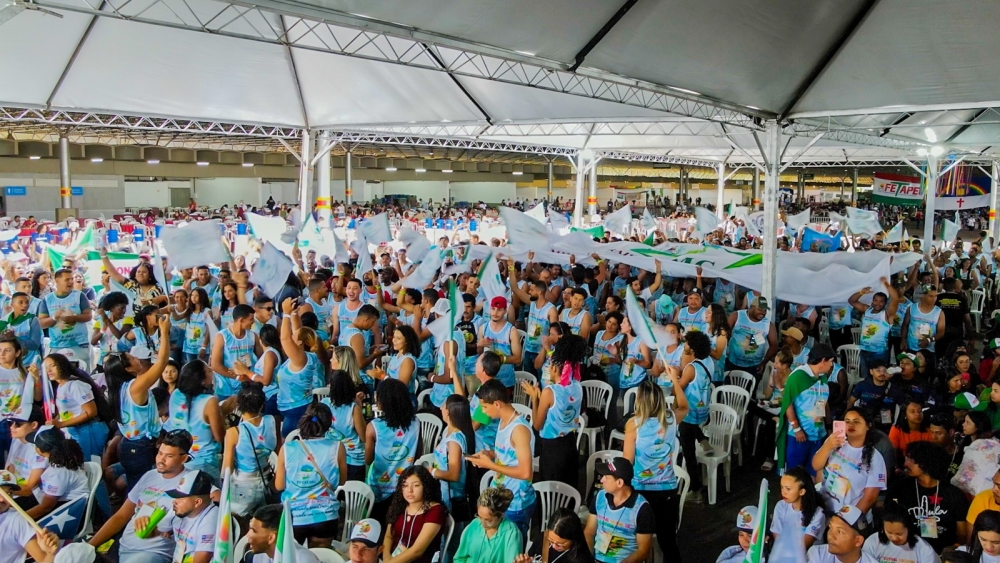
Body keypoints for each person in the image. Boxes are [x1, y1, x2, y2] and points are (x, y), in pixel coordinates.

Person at [88, 430, 195, 563]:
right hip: (123, 546)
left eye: (169, 456)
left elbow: (215, 501)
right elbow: (121, 516)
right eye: (160, 453)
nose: (161, 459)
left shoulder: (192, 481)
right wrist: (89, 546)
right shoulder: (149, 475)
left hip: (152, 553)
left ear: (183, 458)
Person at [103, 315, 171, 490]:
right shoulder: (135, 386)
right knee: (141, 491)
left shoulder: (118, 387)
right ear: (127, 369)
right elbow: (162, 362)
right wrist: (164, 332)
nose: (137, 359)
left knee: (135, 488)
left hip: (129, 444)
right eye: (132, 358)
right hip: (140, 447)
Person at [623, 374, 687, 561]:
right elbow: (684, 406)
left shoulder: (633, 425)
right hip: (666, 489)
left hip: (640, 490)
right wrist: (675, 380)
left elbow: (627, 462)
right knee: (668, 542)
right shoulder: (671, 419)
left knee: (637, 541)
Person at [468, 379, 537, 543]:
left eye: (485, 407)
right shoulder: (503, 421)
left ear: (497, 404)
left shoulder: (519, 430)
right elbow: (508, 456)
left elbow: (526, 472)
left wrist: (489, 465)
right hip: (501, 497)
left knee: (512, 549)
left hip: (516, 502)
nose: (483, 412)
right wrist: (489, 454)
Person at [275, 402, 345, 547]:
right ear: (329, 423)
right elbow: (342, 481)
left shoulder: (287, 448)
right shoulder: (337, 447)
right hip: (326, 516)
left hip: (294, 518)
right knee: (321, 558)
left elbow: (279, 485)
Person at [524, 333, 584, 487]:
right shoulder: (577, 385)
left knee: (551, 492)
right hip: (570, 445)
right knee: (568, 491)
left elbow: (537, 425)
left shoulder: (549, 391)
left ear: (555, 368)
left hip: (552, 450)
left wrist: (534, 398)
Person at [887, 440, 969, 552]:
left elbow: (962, 534)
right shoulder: (899, 488)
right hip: (907, 551)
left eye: (911, 460)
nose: (906, 464)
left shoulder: (953, 494)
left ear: (926, 462)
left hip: (942, 552)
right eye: (906, 458)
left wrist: (953, 548)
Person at [813, 407, 888, 526]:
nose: (851, 425)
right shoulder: (835, 442)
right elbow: (816, 466)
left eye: (856, 421)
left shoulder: (875, 458)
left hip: (847, 520)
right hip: (822, 511)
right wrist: (827, 446)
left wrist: (845, 522)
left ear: (868, 425)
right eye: (847, 421)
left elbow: (870, 498)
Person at [777, 344, 836, 475]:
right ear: (822, 360)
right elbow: (788, 404)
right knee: (795, 474)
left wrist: (828, 426)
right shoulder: (797, 376)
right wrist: (797, 429)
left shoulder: (823, 378)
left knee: (814, 473)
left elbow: (824, 403)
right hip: (799, 437)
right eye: (831, 361)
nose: (832, 365)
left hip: (818, 434)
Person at [366, 378, 419, 522]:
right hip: (406, 487)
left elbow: (368, 459)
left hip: (379, 488)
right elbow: (419, 453)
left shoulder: (373, 427)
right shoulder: (416, 423)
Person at [222, 382, 276, 523]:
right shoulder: (271, 421)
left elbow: (228, 468)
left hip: (244, 485)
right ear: (262, 404)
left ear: (238, 405)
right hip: (268, 480)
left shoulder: (234, 432)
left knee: (234, 522)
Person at [584, 456, 654, 563]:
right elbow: (589, 531)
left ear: (619, 483)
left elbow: (643, 551)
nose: (602, 479)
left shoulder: (642, 509)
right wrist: (588, 558)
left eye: (606, 477)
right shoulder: (600, 497)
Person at [163, 360, 224, 481]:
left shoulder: (176, 394)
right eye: (208, 371)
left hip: (180, 458)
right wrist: (222, 414)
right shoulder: (210, 401)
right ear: (201, 380)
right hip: (204, 462)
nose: (212, 372)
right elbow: (219, 436)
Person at [45, 353, 111, 461]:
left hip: (89, 430)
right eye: (46, 367)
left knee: (89, 465)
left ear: (62, 365)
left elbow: (91, 412)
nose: (49, 370)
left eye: (52, 366)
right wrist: (55, 421)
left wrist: (61, 424)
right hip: (76, 430)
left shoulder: (76, 385)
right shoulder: (61, 386)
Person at [273, 298, 325, 437]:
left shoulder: (301, 359)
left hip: (296, 411)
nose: (291, 335)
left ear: (300, 342)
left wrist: (286, 315)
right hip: (297, 407)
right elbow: (298, 330)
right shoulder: (306, 355)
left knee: (290, 445)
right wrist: (294, 314)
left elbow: (285, 339)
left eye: (294, 336)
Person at [675, 330, 713, 504]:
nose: (685, 345)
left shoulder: (691, 368)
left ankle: (695, 489)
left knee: (688, 453)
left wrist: (674, 378)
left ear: (693, 347)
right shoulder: (708, 363)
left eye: (687, 343)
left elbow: (680, 388)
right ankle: (703, 439)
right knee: (692, 431)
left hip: (689, 413)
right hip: (701, 411)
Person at [383, 466, 447, 563]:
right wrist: (387, 559)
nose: (410, 490)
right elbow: (389, 536)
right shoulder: (399, 505)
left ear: (426, 486)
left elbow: (417, 551)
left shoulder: (435, 511)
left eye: (416, 485)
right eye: (405, 485)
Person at [24, 427, 90, 522]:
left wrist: (18, 520)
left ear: (39, 449)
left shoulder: (58, 472)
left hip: (69, 515)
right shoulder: (66, 459)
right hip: (63, 506)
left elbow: (46, 507)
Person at [431, 394, 474, 518]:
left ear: (449, 412)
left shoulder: (454, 441)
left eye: (443, 406)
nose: (440, 408)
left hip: (452, 496)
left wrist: (432, 472)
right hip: (443, 491)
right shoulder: (447, 432)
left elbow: (454, 475)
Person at [320, 369, 367, 482]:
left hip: (331, 457)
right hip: (353, 459)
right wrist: (359, 406)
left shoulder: (324, 404)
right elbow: (364, 437)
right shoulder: (353, 409)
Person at [453, 488, 522, 563]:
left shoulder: (511, 534)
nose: (482, 523)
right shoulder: (474, 525)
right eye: (479, 516)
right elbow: (459, 558)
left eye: (488, 520)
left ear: (501, 515)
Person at [209, 303, 261, 402]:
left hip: (245, 386)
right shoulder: (222, 336)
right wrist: (238, 377)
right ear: (241, 320)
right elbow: (215, 365)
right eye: (250, 319)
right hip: (225, 388)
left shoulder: (253, 336)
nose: (253, 322)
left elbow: (262, 359)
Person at [37, 268, 92, 360]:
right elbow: (42, 323)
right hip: (57, 346)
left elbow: (89, 316)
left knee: (81, 373)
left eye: (71, 279)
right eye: (67, 279)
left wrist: (74, 317)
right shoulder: (47, 300)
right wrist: (55, 317)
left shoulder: (80, 295)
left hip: (80, 344)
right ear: (57, 281)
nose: (70, 282)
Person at [863, 501, 940, 563]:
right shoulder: (872, 542)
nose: (894, 538)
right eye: (889, 532)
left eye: (899, 534)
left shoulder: (924, 550)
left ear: (908, 528)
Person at [0, 470, 51, 562]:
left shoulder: (16, 520)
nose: (2, 499)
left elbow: (43, 560)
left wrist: (51, 553)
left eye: (9, 493)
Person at [242, 504, 321, 563]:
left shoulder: (303, 560)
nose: (247, 535)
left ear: (271, 538)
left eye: (253, 530)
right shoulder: (252, 557)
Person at [771, 466, 827, 549]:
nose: (783, 492)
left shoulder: (818, 513)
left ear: (802, 491)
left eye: (788, 489)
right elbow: (777, 534)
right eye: (782, 487)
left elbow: (804, 545)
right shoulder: (781, 506)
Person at [515, 507, 594, 563]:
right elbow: (531, 557)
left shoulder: (581, 559)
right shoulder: (542, 538)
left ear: (574, 538)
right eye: (551, 540)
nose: (554, 546)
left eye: (561, 543)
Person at [806, 505, 880, 563]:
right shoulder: (817, 553)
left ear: (858, 541)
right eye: (830, 527)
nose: (831, 535)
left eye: (839, 531)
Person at [478, 296, 522, 390]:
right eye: (493, 309)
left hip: (505, 381)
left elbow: (518, 358)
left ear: (505, 311)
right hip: (487, 379)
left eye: (499, 310)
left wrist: (498, 359)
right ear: (490, 309)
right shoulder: (483, 328)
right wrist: (479, 345)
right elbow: (479, 354)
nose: (495, 313)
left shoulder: (511, 330)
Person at [726, 295, 777, 375]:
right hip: (733, 362)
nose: (762, 313)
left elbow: (774, 345)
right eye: (759, 309)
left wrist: (764, 362)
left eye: (765, 310)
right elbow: (724, 333)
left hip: (755, 366)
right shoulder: (737, 316)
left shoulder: (768, 324)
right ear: (751, 307)